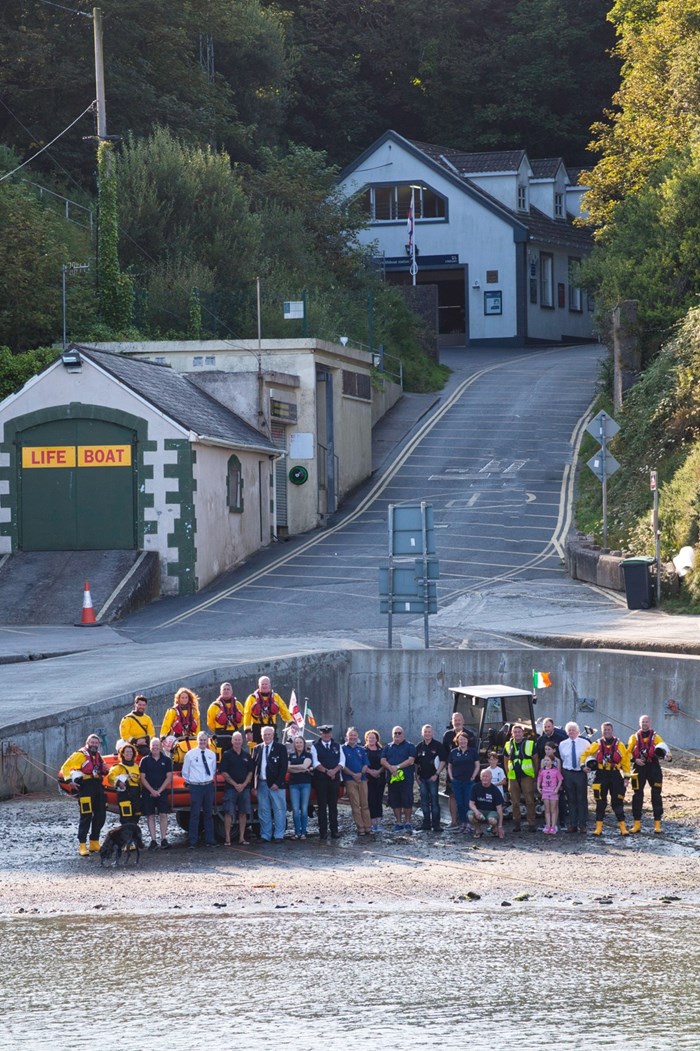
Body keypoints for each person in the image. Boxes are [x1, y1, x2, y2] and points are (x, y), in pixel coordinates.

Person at [60, 733, 108, 856]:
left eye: (96, 743)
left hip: (97, 785)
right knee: (86, 816)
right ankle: (82, 844)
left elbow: (102, 770)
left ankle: (94, 842)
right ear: (87, 743)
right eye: (92, 742)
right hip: (86, 787)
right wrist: (69, 781)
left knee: (100, 815)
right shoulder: (79, 755)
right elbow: (65, 768)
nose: (94, 745)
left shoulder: (98, 756)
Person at [581, 721, 631, 836]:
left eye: (608, 730)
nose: (607, 732)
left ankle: (623, 828)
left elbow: (626, 762)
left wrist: (626, 777)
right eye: (604, 730)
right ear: (602, 731)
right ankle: (598, 828)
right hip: (601, 775)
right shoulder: (597, 744)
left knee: (617, 802)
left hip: (615, 775)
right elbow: (584, 754)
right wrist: (583, 766)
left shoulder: (620, 744)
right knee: (600, 802)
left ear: (612, 731)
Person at [627, 714, 672, 834]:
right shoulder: (633, 737)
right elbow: (628, 753)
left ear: (650, 723)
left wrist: (667, 757)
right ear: (639, 723)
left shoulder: (656, 737)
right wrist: (635, 759)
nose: (644, 724)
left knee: (656, 795)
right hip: (639, 767)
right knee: (637, 795)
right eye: (642, 722)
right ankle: (636, 824)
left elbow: (666, 752)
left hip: (653, 767)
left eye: (646, 722)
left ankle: (657, 824)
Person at [181, 730, 218, 849]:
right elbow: (185, 772)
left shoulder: (212, 754)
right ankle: (193, 841)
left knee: (209, 814)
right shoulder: (190, 754)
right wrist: (192, 782)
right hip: (195, 787)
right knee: (195, 814)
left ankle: (210, 840)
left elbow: (213, 770)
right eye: (200, 740)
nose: (202, 742)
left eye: (204, 740)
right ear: (197, 740)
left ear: (207, 741)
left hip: (208, 786)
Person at [253, 725, 288, 842]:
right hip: (262, 784)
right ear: (261, 736)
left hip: (276, 785)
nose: (267, 736)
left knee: (279, 810)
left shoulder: (281, 748)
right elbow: (254, 769)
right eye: (264, 735)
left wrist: (277, 783)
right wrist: (254, 786)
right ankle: (265, 835)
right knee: (263, 811)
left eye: (269, 734)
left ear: (273, 735)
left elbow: (284, 767)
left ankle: (279, 835)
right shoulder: (257, 748)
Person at [381, 726, 416, 834]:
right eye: (395, 733)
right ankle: (398, 823)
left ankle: (408, 822)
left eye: (399, 733)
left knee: (407, 800)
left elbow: (411, 760)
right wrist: (390, 768)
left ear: (403, 734)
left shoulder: (410, 746)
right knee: (395, 801)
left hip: (406, 780)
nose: (397, 735)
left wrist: (397, 767)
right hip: (392, 780)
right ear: (392, 735)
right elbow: (382, 760)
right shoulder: (387, 747)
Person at [220, 731, 253, 845]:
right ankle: (228, 839)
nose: (237, 742)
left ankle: (242, 838)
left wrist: (243, 785)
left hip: (244, 789)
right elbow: (223, 772)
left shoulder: (246, 755)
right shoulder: (226, 754)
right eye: (235, 739)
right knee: (228, 812)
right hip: (230, 788)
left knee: (243, 813)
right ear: (232, 741)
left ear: (242, 741)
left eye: (239, 739)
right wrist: (235, 784)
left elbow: (250, 772)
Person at [139, 736, 173, 849]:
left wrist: (159, 791)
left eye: (157, 745)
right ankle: (153, 840)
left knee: (163, 814)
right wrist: (152, 791)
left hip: (162, 791)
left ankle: (164, 839)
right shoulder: (144, 760)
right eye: (153, 745)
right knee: (150, 816)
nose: (155, 747)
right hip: (148, 792)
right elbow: (142, 778)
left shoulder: (167, 760)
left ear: (160, 747)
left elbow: (169, 777)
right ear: (150, 747)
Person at [504, 724, 538, 832]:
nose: (517, 734)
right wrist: (508, 773)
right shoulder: (508, 745)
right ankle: (516, 823)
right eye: (515, 732)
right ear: (512, 733)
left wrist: (535, 775)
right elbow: (505, 760)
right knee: (514, 802)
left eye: (519, 732)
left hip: (526, 776)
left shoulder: (530, 744)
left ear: (523, 733)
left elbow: (536, 760)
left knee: (529, 800)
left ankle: (531, 823)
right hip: (513, 776)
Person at [311, 725, 344, 839]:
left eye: (328, 733)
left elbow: (342, 761)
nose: (326, 735)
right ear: (321, 734)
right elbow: (315, 763)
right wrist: (326, 771)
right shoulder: (315, 747)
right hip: (320, 780)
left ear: (331, 734)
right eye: (324, 733)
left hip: (334, 779)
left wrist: (334, 771)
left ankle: (334, 831)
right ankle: (323, 832)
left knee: (333, 806)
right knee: (322, 806)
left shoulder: (337, 746)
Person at [443, 711, 473, 828]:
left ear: (463, 721)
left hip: (467, 772)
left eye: (459, 720)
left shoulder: (469, 734)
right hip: (452, 773)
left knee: (467, 797)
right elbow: (444, 754)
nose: (457, 722)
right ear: (452, 721)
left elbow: (474, 754)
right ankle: (454, 822)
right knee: (452, 796)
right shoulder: (447, 735)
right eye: (455, 720)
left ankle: (467, 822)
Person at [243, 676, 293, 747]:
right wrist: (248, 731)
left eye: (266, 684)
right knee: (256, 751)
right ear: (259, 685)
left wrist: (291, 722)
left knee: (274, 748)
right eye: (262, 684)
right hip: (256, 728)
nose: (264, 686)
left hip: (271, 727)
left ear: (269, 685)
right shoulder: (251, 698)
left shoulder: (276, 697)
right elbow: (246, 714)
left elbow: (284, 710)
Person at [559, 721, 590, 834]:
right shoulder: (562, 744)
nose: (571, 732)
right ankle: (572, 824)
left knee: (581, 799)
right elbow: (563, 758)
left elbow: (589, 757)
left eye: (573, 730)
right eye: (569, 730)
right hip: (568, 773)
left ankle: (582, 825)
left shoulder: (585, 743)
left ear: (578, 731)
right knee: (571, 799)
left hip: (580, 773)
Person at [415, 724, 447, 832]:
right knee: (424, 802)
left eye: (429, 732)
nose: (427, 734)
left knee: (434, 802)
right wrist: (416, 776)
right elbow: (416, 763)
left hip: (433, 778)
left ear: (432, 733)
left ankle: (436, 825)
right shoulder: (419, 746)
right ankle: (426, 824)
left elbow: (443, 761)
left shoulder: (438, 745)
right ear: (422, 733)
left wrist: (437, 774)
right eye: (425, 732)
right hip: (422, 779)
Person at [447, 731, 480, 833]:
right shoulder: (453, 752)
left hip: (469, 782)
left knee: (467, 803)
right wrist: (451, 777)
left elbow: (477, 765)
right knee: (460, 804)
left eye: (464, 739)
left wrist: (474, 776)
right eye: (460, 739)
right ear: (457, 740)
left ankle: (469, 824)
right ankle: (462, 824)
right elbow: (449, 766)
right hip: (457, 782)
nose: (462, 741)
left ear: (467, 740)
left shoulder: (472, 751)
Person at [342, 727, 371, 835]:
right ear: (347, 737)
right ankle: (360, 828)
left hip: (362, 779)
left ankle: (368, 826)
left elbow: (365, 764)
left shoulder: (361, 749)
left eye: (354, 735)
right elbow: (342, 765)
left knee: (365, 804)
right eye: (350, 735)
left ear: (357, 737)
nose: (352, 737)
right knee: (355, 805)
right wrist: (353, 774)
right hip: (350, 780)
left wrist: (360, 774)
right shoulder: (342, 749)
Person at [160, 687, 200, 765]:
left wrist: (198, 737)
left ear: (189, 698)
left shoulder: (194, 711)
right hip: (178, 737)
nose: (184, 699)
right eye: (182, 698)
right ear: (178, 699)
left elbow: (198, 726)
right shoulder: (172, 711)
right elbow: (166, 725)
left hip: (191, 737)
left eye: (186, 697)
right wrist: (163, 736)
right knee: (178, 757)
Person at [107, 742, 142, 825]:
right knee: (126, 818)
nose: (129, 754)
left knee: (135, 818)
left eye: (131, 752)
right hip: (125, 795)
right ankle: (125, 836)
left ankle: (133, 836)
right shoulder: (118, 767)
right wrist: (119, 783)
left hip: (136, 796)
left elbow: (140, 780)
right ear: (122, 753)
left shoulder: (136, 767)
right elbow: (111, 778)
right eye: (127, 752)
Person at [288, 733, 314, 839]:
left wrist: (294, 767)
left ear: (304, 744)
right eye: (297, 742)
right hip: (293, 784)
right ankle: (297, 832)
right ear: (294, 744)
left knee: (304, 808)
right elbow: (287, 769)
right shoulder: (291, 755)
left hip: (305, 784)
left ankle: (303, 832)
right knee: (295, 809)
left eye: (300, 742)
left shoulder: (308, 755)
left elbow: (305, 765)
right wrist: (302, 769)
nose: (298, 744)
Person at [206, 682, 244, 755]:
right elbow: (210, 722)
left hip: (234, 734)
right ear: (220, 692)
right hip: (221, 736)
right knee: (221, 757)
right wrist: (219, 730)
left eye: (228, 689)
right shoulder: (214, 706)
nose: (226, 691)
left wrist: (234, 728)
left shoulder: (238, 705)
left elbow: (242, 720)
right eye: (224, 689)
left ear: (231, 691)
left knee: (235, 756)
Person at [468, 768, 505, 839]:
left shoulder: (495, 790)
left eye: (487, 776)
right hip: (479, 810)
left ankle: (494, 828)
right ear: (480, 777)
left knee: (492, 820)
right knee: (470, 815)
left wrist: (500, 826)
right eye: (483, 776)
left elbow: (499, 809)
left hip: (491, 811)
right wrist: (476, 811)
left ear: (491, 778)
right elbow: (471, 803)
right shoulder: (475, 787)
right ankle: (478, 830)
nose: (485, 778)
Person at [364, 729, 386, 833]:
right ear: (366, 739)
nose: (372, 739)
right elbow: (361, 763)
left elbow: (385, 764)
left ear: (377, 739)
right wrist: (370, 771)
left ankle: (379, 822)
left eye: (374, 737)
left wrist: (378, 772)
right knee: (370, 800)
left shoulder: (382, 751)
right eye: (370, 737)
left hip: (380, 778)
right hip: (368, 779)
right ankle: (372, 823)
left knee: (378, 800)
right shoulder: (363, 750)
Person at [537, 755, 564, 834]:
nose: (546, 762)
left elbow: (560, 780)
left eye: (548, 760)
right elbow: (539, 779)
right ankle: (548, 825)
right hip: (545, 791)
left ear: (552, 762)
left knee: (553, 810)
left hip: (553, 792)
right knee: (547, 809)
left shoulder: (555, 771)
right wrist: (538, 787)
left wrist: (557, 789)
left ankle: (553, 826)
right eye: (545, 760)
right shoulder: (542, 771)